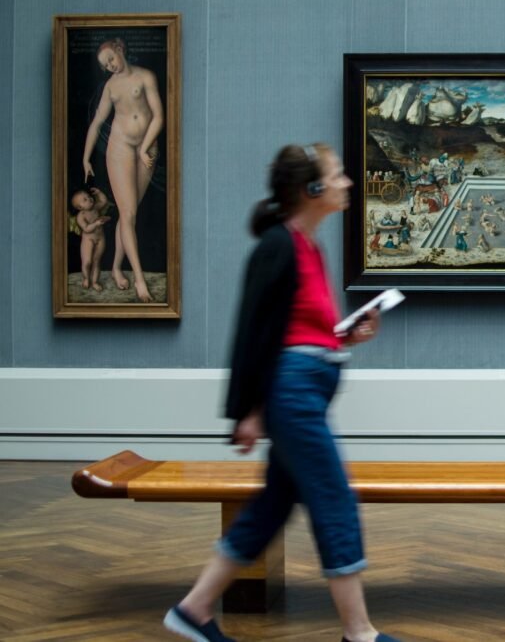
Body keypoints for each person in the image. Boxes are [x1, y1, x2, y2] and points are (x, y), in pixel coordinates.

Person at [163, 143, 399, 642]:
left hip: (305, 391)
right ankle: (359, 633)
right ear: (311, 190)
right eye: (338, 175)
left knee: (272, 507)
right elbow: (251, 332)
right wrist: (246, 411)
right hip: (292, 396)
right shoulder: (277, 245)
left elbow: (298, 329)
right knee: (334, 499)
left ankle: (194, 609)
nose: (348, 183)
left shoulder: (310, 246)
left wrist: (344, 335)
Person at [82, 38, 163, 303]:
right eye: (105, 65)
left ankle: (116, 267)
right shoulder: (110, 87)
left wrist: (145, 147)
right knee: (127, 214)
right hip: (121, 149)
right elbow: (96, 124)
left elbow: (159, 116)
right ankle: (139, 279)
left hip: (147, 149)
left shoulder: (146, 76)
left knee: (129, 214)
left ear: (119, 50)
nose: (110, 66)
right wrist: (86, 158)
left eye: (111, 59)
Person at [70, 187, 111, 291]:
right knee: (87, 262)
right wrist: (96, 223)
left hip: (100, 238)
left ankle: (95, 282)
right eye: (85, 199)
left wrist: (99, 192)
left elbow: (104, 201)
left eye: (88, 196)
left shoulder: (96, 208)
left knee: (96, 261)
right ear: (80, 207)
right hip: (88, 240)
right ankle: (86, 278)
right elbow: (86, 229)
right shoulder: (81, 216)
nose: (89, 199)